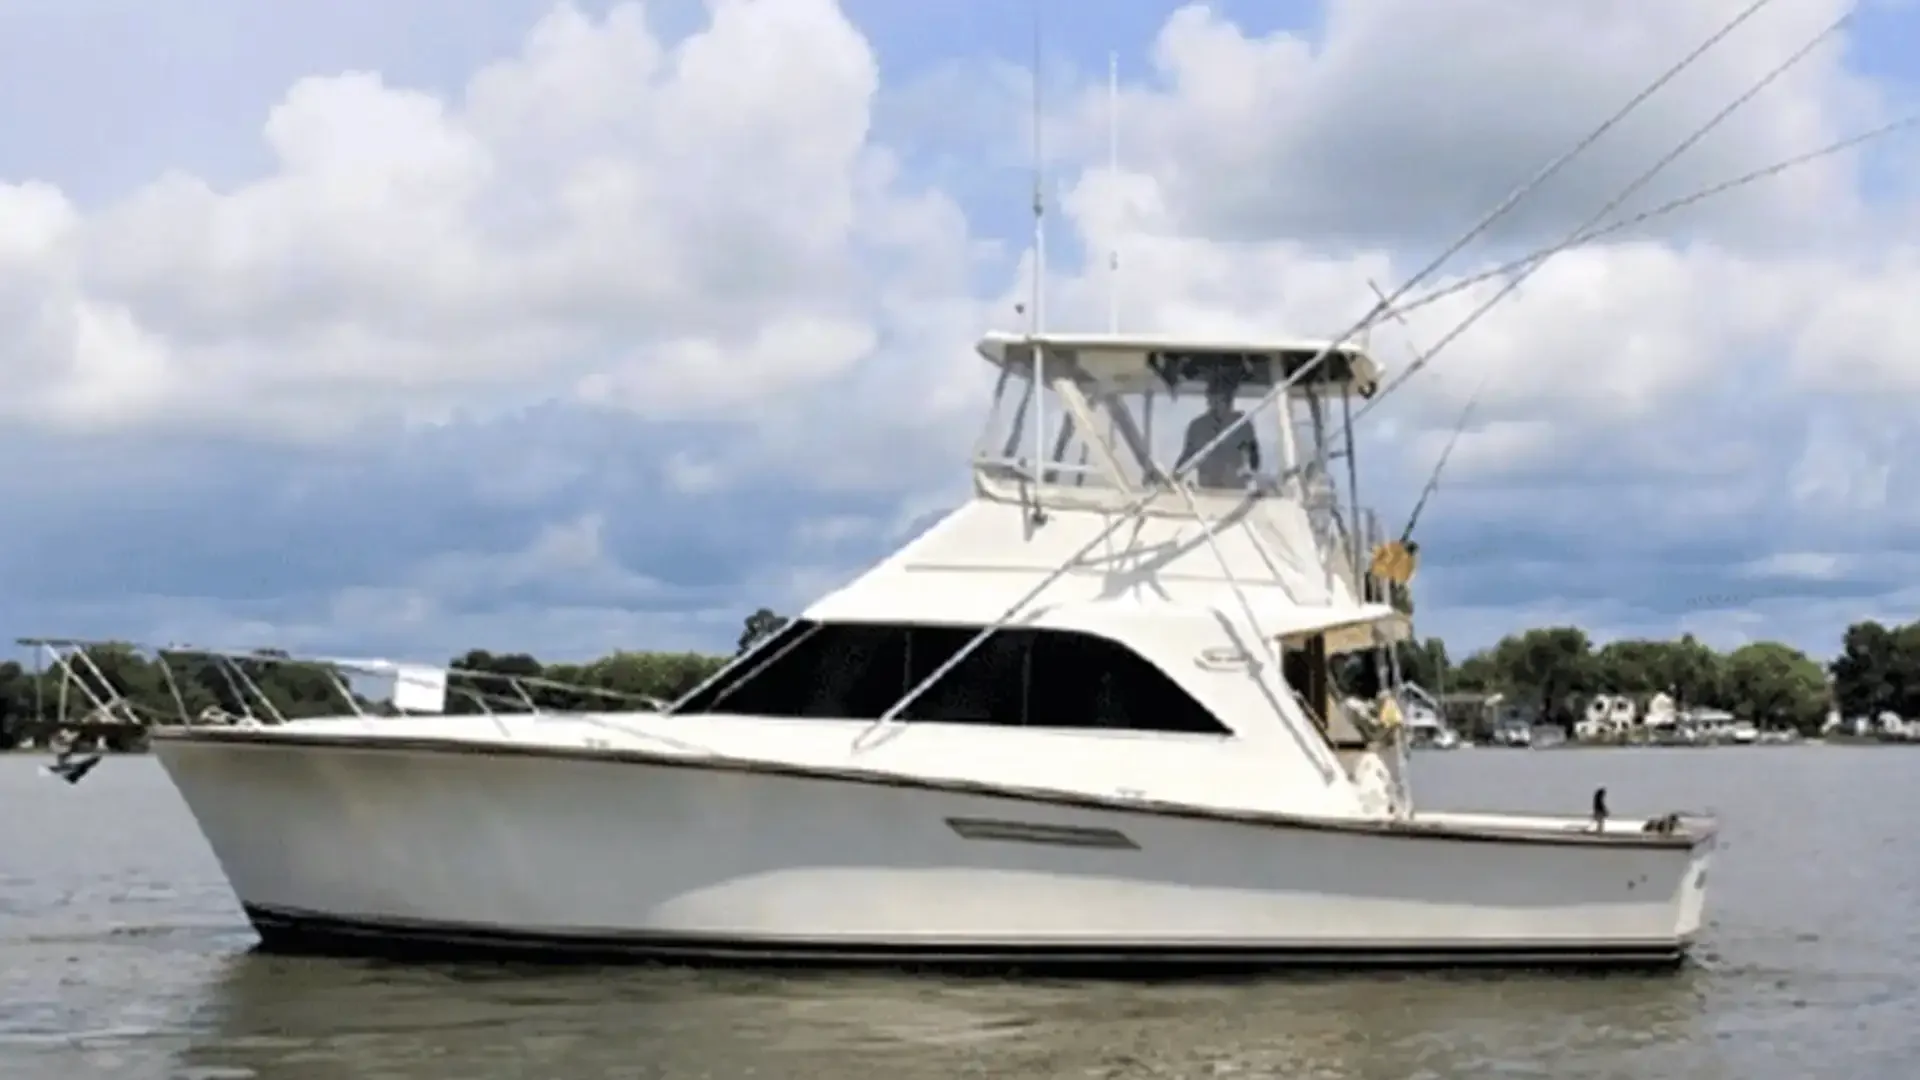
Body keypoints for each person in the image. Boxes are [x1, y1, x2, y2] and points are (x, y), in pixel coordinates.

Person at [1179, 379, 1260, 488]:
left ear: (1230, 398)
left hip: (1236, 494)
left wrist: (1246, 474)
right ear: (1208, 398)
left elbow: (1252, 460)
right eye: (1213, 396)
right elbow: (1186, 459)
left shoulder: (1241, 426)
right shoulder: (1197, 427)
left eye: (1223, 398)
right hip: (1203, 495)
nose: (1217, 402)